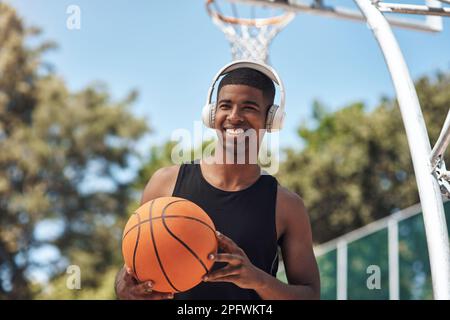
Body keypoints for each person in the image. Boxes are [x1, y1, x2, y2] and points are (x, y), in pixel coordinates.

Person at [115, 61, 320, 300]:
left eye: (249, 107)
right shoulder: (165, 184)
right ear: (212, 114)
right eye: (225, 106)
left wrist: (257, 279)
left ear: (271, 119)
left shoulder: (286, 206)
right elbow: (133, 268)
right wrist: (124, 287)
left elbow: (311, 296)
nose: (234, 116)